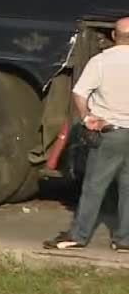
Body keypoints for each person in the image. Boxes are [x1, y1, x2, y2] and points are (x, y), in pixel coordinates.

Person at [45, 18, 129, 252]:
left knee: (94, 187)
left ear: (114, 35)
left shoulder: (100, 61)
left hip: (108, 134)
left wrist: (87, 118)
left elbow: (80, 93)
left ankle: (79, 235)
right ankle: (124, 239)